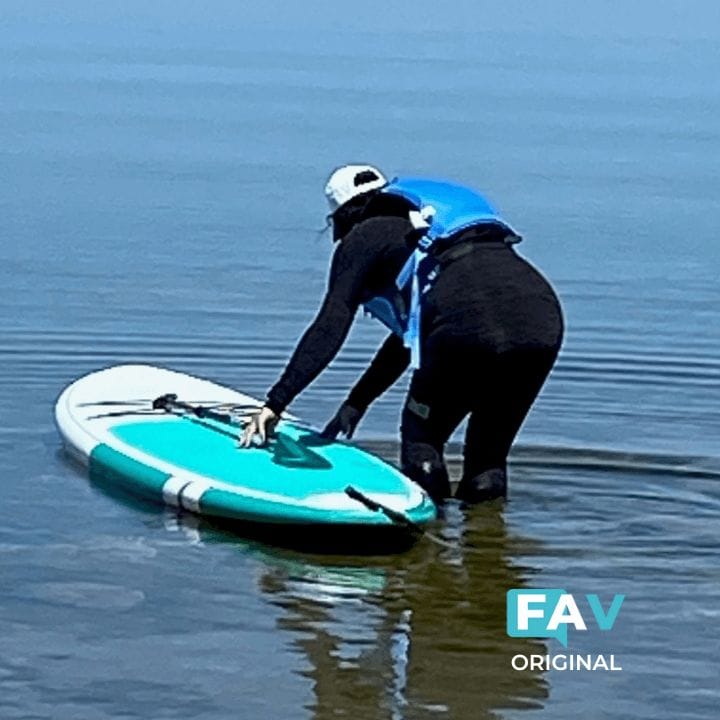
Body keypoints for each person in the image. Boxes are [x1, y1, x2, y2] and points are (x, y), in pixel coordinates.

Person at [240, 164, 563, 504]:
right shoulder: (427, 234)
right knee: (488, 455)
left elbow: (330, 325)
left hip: (465, 322)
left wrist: (276, 403)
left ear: (343, 215)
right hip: (539, 316)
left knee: (423, 436)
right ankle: (487, 547)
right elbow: (410, 341)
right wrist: (357, 402)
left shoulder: (364, 236)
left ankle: (426, 539)